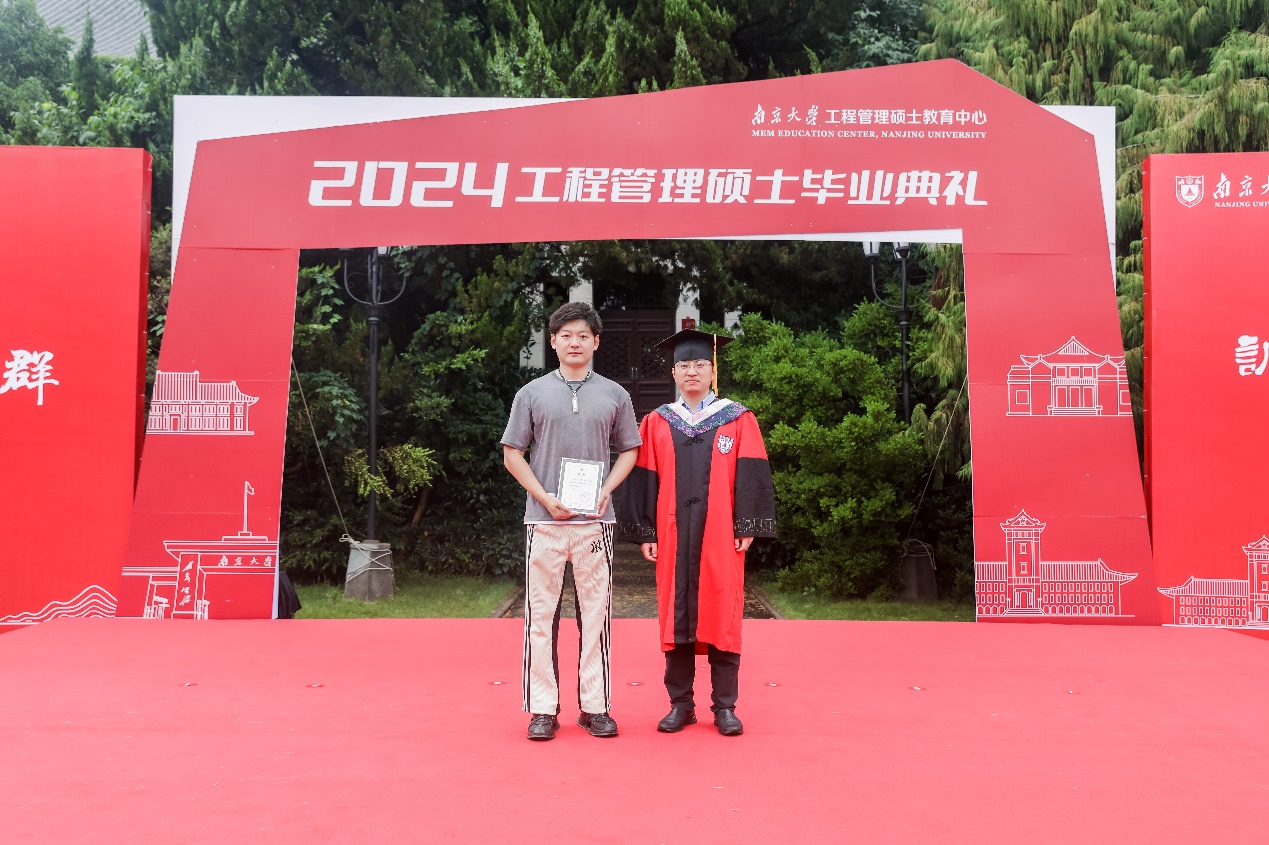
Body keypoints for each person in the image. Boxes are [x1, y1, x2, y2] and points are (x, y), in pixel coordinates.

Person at [617, 329, 776, 736]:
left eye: (700, 364)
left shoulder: (738, 418)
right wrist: (646, 531)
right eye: (684, 365)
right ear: (673, 372)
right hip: (672, 534)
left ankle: (725, 707)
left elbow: (752, 471)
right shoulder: (657, 422)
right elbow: (644, 478)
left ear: (712, 370)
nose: (692, 371)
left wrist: (747, 523)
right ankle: (681, 704)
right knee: (676, 616)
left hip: (720, 535)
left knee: (722, 612)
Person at [502, 301, 642, 741]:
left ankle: (595, 706)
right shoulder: (531, 393)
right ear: (554, 341)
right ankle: (542, 709)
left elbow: (630, 450)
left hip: (594, 523)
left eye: (583, 335)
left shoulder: (616, 395)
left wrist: (606, 490)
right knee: (539, 618)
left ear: (596, 342)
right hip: (543, 522)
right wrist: (543, 497)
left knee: (596, 618)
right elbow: (512, 453)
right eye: (566, 335)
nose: (574, 342)